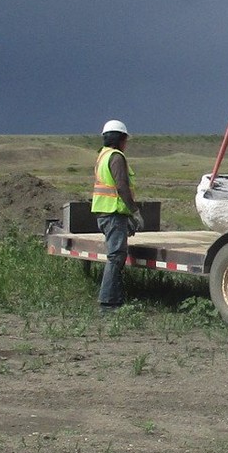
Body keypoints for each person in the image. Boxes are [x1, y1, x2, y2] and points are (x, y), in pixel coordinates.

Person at [91, 119, 139, 310]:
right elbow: (121, 186)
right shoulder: (117, 157)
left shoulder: (102, 156)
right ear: (120, 139)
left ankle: (115, 299)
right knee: (116, 256)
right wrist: (135, 212)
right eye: (125, 140)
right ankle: (108, 302)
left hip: (105, 212)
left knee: (116, 256)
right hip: (112, 214)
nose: (126, 144)